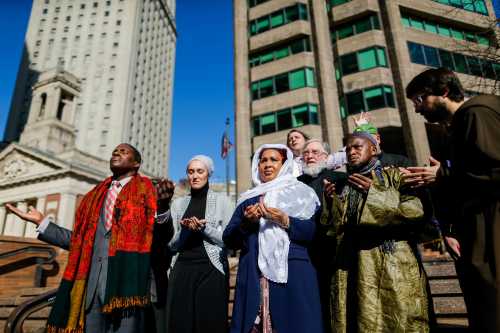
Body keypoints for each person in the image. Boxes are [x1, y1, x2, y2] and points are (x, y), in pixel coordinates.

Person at [5, 143, 175, 333]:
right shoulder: (93, 197)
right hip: (91, 291)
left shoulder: (150, 191)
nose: (116, 153)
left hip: (129, 289)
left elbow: (161, 239)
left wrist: (163, 208)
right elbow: (79, 242)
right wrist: (43, 222)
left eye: (123, 151)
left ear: (136, 163)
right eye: (114, 151)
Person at [405, 67, 500, 333]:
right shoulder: (462, 123)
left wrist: (442, 174)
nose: (417, 109)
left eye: (420, 100)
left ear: (443, 91)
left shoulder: (476, 113)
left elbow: (493, 170)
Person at [321, 132, 430, 332]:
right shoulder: (344, 185)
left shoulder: (396, 175)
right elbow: (335, 230)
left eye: (357, 147)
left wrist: (376, 193)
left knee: (394, 320)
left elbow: (415, 211)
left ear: (373, 149)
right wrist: (331, 203)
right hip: (351, 264)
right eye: (347, 149)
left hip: (388, 262)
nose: (351, 152)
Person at [223, 144, 323, 333]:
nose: (267, 164)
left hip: (293, 274)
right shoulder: (248, 198)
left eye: (274, 160)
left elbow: (314, 233)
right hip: (253, 275)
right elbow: (229, 239)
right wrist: (247, 223)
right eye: (263, 160)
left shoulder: (302, 193)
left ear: (285, 164)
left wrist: (285, 220)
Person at [166, 155, 233, 333]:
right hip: (182, 268)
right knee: (180, 323)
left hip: (211, 269)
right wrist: (185, 231)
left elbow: (230, 241)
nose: (194, 176)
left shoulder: (223, 201)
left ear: (208, 174)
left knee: (209, 323)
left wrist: (204, 229)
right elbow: (172, 245)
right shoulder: (178, 204)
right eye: (190, 172)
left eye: (199, 171)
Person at [297, 139, 347, 333]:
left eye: (315, 152)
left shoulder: (340, 179)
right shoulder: (295, 184)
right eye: (306, 153)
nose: (309, 156)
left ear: (325, 157)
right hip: (305, 253)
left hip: (335, 253)